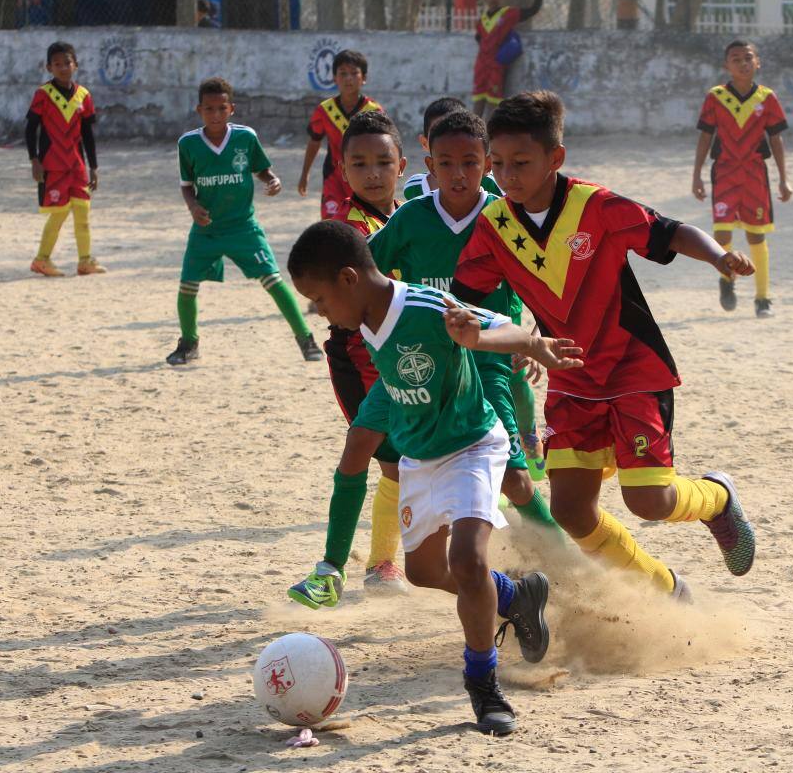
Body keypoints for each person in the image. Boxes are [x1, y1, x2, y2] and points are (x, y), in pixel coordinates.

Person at [452, 91, 759, 602]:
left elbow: (670, 231)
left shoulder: (596, 206)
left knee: (650, 501)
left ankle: (718, 500)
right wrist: (509, 339)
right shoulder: (495, 226)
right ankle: (668, 590)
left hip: (635, 371)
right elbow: (463, 299)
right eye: (498, 164)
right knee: (572, 512)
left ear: (556, 158)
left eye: (521, 163)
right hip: (572, 379)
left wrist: (718, 256)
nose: (507, 176)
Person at [287, 219, 580, 735]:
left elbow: (506, 328)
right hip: (420, 455)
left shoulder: (427, 308)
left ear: (349, 280)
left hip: (471, 444)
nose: (321, 313)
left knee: (466, 560)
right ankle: (515, 596)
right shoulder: (366, 321)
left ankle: (483, 687)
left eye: (319, 300)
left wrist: (528, 346)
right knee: (424, 572)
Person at [371, 109, 558, 530]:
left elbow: (550, 282)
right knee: (370, 448)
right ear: (429, 166)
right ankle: (346, 564)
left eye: (470, 163)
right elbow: (366, 270)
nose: (458, 174)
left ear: (487, 164)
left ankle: (563, 558)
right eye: (447, 164)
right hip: (424, 362)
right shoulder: (411, 218)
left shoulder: (507, 219)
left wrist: (532, 340)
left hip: (489, 362)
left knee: (516, 478)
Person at [294, 111, 408, 605]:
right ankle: (370, 566)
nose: (373, 173)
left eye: (383, 162)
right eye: (360, 164)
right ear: (343, 171)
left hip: (400, 353)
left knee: (403, 462)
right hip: (359, 359)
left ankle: (376, 563)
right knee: (384, 457)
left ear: (401, 165)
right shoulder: (348, 229)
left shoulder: (408, 216)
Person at [168, 77, 322, 366]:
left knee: (274, 280)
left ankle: (305, 338)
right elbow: (186, 184)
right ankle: (189, 342)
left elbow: (261, 169)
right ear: (199, 109)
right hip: (207, 230)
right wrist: (192, 205)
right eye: (209, 109)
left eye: (221, 108)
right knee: (187, 286)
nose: (215, 115)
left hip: (243, 227)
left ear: (232, 109)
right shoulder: (188, 143)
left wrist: (272, 180)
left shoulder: (245, 138)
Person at [691, 40, 791, 319]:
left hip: (755, 175)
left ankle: (763, 299)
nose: (743, 63)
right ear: (727, 66)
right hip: (724, 173)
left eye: (748, 58)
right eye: (736, 59)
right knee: (722, 233)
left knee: (755, 234)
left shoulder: (767, 98)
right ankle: (726, 279)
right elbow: (705, 136)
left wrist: (784, 178)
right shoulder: (716, 96)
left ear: (757, 62)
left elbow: (776, 139)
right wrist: (697, 174)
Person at [26, 41, 105, 277]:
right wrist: (34, 160)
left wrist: (94, 167)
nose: (63, 68)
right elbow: (31, 129)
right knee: (59, 213)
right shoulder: (43, 94)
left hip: (76, 165)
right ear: (49, 67)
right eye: (57, 64)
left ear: (76, 65)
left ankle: (85, 261)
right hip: (53, 164)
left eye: (67, 63)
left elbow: (88, 135)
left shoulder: (84, 96)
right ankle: (41, 259)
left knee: (83, 212)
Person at [298, 50, 384, 219]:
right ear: (334, 78)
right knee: (332, 227)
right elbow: (314, 142)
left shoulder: (374, 111)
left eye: (354, 73)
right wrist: (304, 174)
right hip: (334, 178)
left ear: (364, 78)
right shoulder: (324, 110)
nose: (348, 78)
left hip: (363, 178)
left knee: (365, 227)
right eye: (343, 74)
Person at [473, 0, 548, 119]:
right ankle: (473, 134)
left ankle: (490, 137)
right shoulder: (481, 20)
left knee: (493, 104)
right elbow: (479, 38)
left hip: (496, 66)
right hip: (481, 67)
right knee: (478, 101)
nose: (493, 0)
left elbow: (533, 9)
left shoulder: (508, 14)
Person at [403, 97, 503, 200]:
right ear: (424, 143)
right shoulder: (414, 187)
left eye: (469, 163)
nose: (450, 143)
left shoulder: (492, 185)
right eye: (439, 133)